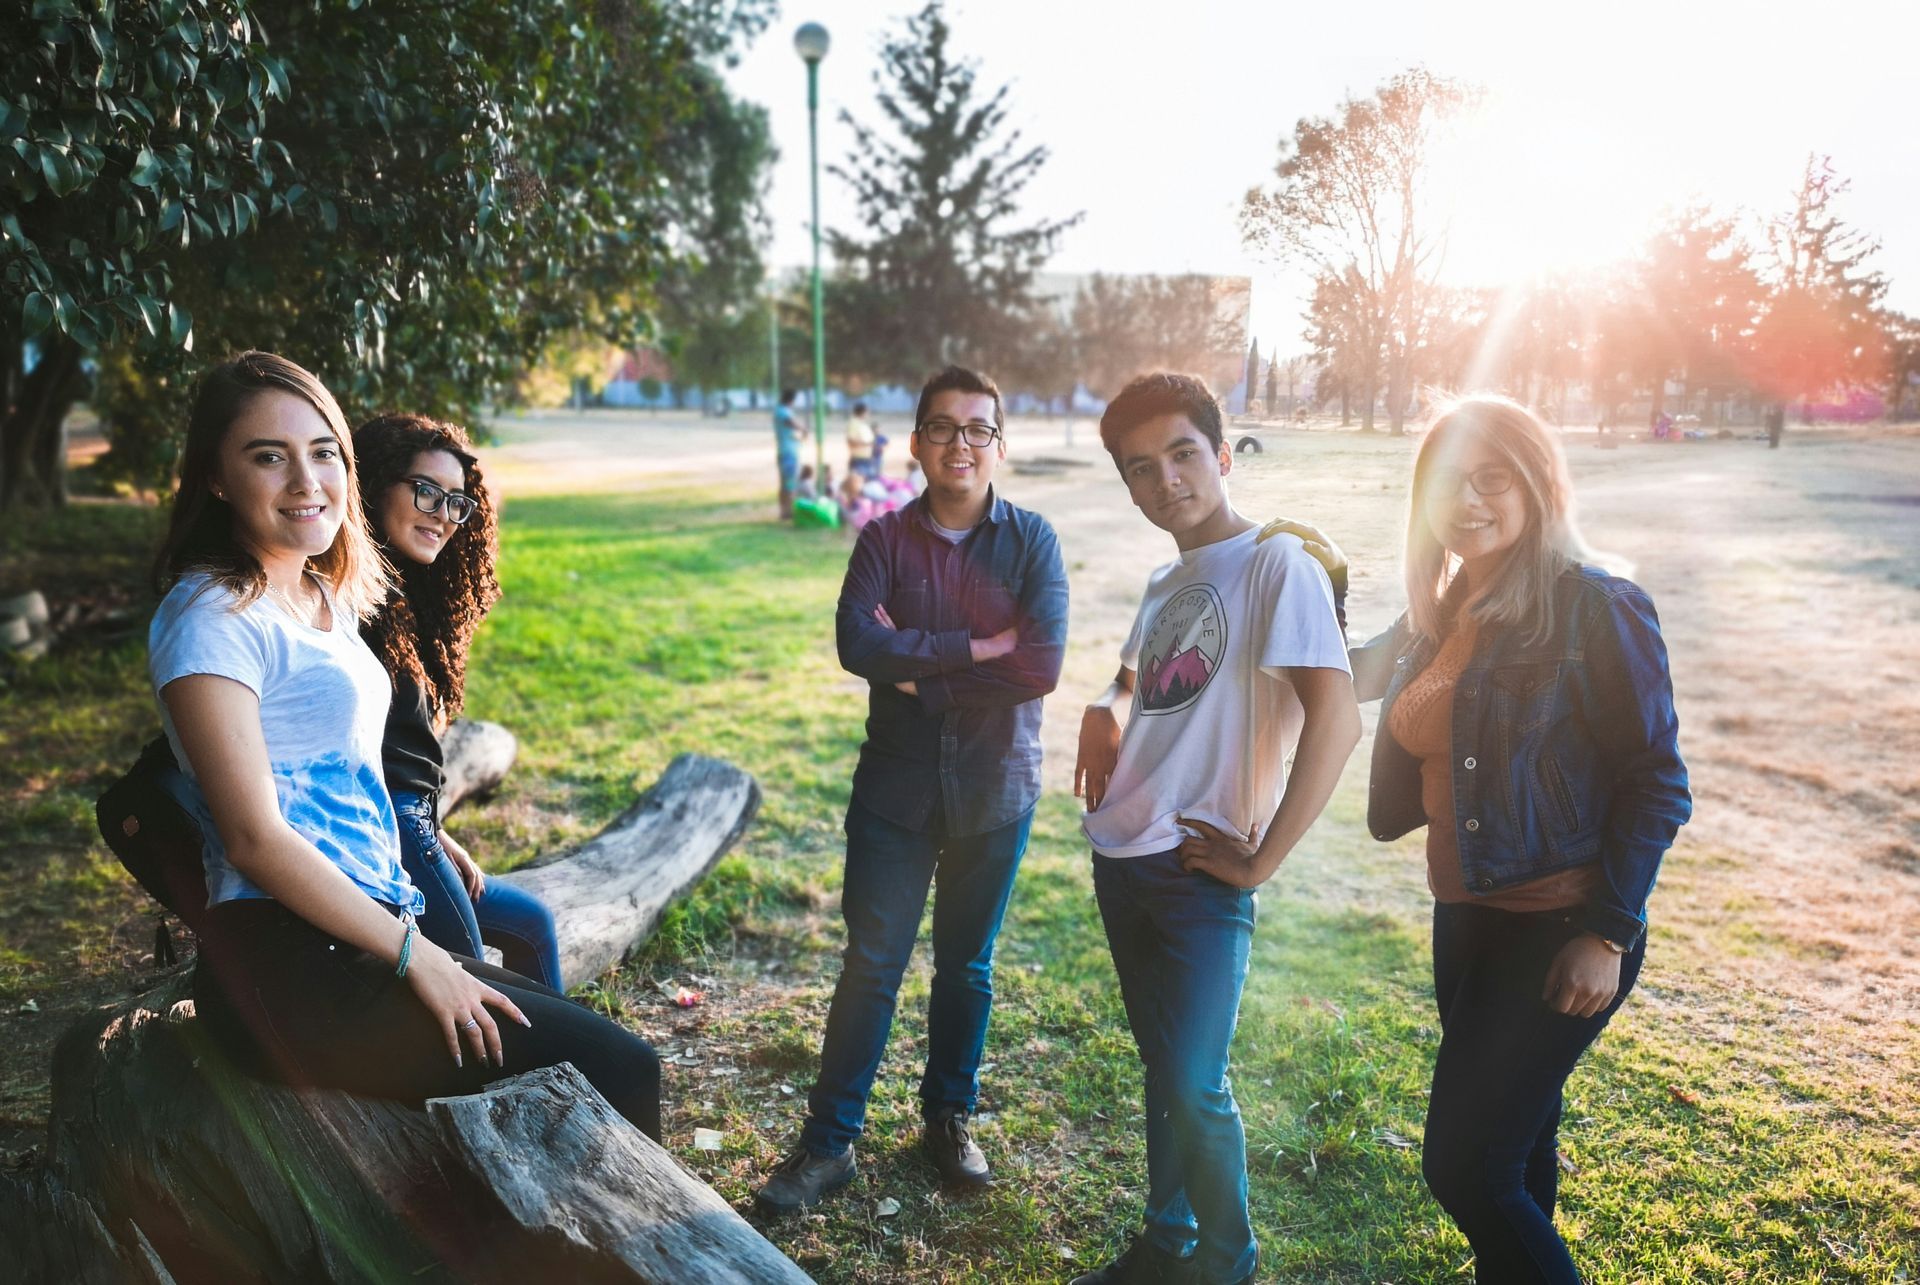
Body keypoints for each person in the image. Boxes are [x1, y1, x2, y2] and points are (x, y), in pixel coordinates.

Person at [148, 351, 660, 1138]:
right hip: (285, 969)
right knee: (614, 1067)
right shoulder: (211, 619)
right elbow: (254, 839)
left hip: (363, 930)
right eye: (267, 456)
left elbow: (353, 775)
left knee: (599, 1045)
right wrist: (417, 956)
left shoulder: (317, 590)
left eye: (323, 452)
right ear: (216, 477)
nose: (305, 481)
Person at [1351, 395, 1689, 1283]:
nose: (1469, 500)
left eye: (1492, 477)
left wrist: (1608, 930)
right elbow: (1347, 671)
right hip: (1466, 917)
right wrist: (1299, 587)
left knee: (1464, 1164)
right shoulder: (1444, 609)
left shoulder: (1596, 608)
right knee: (1516, 1143)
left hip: (1559, 922)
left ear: (1536, 484)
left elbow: (1658, 780)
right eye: (1448, 483)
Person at [756, 365, 1069, 1214]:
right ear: (917, 443)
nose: (960, 443)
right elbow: (858, 643)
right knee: (872, 963)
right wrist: (974, 652)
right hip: (894, 793)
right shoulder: (883, 541)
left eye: (978, 428)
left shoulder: (1033, 540)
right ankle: (828, 1144)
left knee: (966, 966)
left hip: (995, 789)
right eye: (943, 427)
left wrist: (918, 669)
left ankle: (948, 1118)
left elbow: (1039, 665)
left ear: (999, 444)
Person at [1072, 373, 1360, 1285]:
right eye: (1141, 469)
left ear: (1224, 455)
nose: (1167, 481)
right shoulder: (1167, 578)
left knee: (1196, 1081)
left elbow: (1339, 716)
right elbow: (1136, 679)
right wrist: (1103, 704)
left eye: (1184, 454)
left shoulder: (1279, 564)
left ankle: (1227, 1265)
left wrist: (1264, 856)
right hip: (1120, 854)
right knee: (1165, 1070)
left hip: (1202, 868)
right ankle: (1166, 1242)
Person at [354, 412, 563, 990]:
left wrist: (440, 836)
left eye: (456, 502)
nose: (443, 516)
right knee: (481, 987)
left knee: (532, 922)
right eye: (426, 492)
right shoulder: (348, 605)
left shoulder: (402, 601)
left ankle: (554, 1077)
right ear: (371, 485)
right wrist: (420, 836)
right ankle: (518, 1070)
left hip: (417, 824)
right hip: (383, 830)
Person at [774, 388, 804, 519]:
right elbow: (791, 423)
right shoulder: (783, 411)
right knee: (790, 485)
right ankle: (789, 512)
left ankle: (784, 511)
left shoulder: (780, 410)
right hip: (788, 453)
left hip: (785, 451)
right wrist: (804, 429)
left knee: (785, 485)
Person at [846, 400, 878, 480]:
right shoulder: (854, 423)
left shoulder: (862, 424)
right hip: (858, 460)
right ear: (862, 412)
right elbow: (850, 441)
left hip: (867, 459)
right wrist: (867, 443)